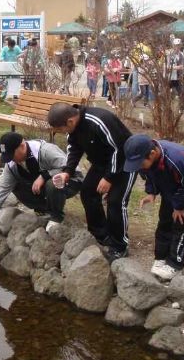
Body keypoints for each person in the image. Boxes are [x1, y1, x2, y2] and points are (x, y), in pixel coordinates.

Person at [47, 103, 135, 262]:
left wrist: (109, 178)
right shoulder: (73, 129)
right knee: (88, 193)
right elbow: (74, 149)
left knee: (116, 201)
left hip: (126, 162)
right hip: (101, 163)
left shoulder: (99, 120)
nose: (61, 133)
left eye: (61, 129)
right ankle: (101, 235)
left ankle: (119, 246)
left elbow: (119, 150)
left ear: (70, 122)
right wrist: (68, 172)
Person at [123, 134, 184, 280]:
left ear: (152, 153)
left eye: (140, 163)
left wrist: (180, 206)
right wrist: (152, 192)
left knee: (182, 225)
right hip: (170, 187)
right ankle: (161, 257)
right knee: (164, 221)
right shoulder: (149, 159)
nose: (139, 167)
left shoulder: (178, 160)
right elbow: (149, 173)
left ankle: (175, 264)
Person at [0, 133, 83, 228]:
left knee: (52, 183)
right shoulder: (12, 163)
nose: (11, 159)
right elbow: (4, 187)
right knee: (15, 185)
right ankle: (44, 210)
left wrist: (45, 176)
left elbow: (70, 168)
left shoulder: (46, 151)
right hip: (45, 184)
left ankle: (56, 217)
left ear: (22, 146)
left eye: (11, 155)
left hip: (72, 180)